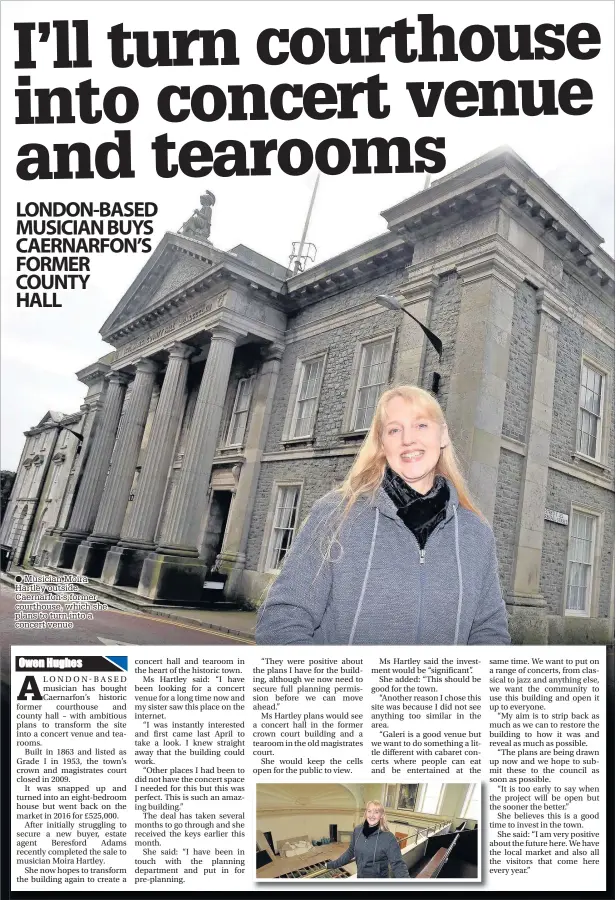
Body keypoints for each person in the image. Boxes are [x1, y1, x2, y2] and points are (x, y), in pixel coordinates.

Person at [255, 384, 510, 645]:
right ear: (382, 444)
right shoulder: (335, 515)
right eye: (394, 430)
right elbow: (281, 621)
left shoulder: (476, 533)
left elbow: (490, 631)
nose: (407, 439)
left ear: (443, 435)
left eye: (421, 425)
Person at [326, 801, 410, 879]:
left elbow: (398, 865)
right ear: (366, 813)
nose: (371, 815)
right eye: (369, 811)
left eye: (376, 812)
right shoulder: (358, 830)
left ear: (381, 815)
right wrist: (332, 864)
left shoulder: (389, 838)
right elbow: (350, 851)